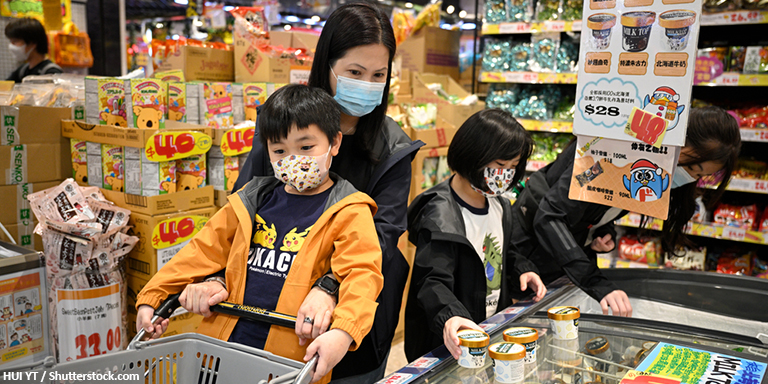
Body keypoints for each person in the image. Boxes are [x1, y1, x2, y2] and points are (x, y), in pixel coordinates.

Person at [202, 3, 422, 381]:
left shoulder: (393, 148)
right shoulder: (285, 124)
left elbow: (383, 238)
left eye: (378, 75)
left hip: (350, 320)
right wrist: (216, 277)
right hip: (269, 305)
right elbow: (242, 209)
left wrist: (329, 287)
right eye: (355, 72)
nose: (367, 84)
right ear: (327, 65)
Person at [136, 84, 384, 384]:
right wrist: (154, 296)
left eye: (306, 148)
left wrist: (343, 333)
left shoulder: (349, 211)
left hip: (290, 363)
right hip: (220, 351)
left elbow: (362, 276)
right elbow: (200, 251)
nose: (293, 159)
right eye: (280, 150)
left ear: (334, 142)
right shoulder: (251, 199)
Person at [511, 106, 741, 317]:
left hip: (564, 261)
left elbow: (597, 205)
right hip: (527, 257)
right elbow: (550, 216)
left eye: (699, 176)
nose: (690, 177)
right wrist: (596, 283)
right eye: (691, 167)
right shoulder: (605, 154)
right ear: (675, 141)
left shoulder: (647, 171)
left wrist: (602, 231)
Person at [405, 109, 547, 362]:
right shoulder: (440, 213)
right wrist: (451, 316)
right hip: (449, 342)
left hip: (490, 329)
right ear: (472, 156)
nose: (506, 174)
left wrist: (523, 269)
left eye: (514, 166)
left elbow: (504, 250)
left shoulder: (500, 205)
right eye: (500, 165)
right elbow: (431, 280)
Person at [5, 17, 63, 83]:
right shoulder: (22, 70)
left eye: (15, 41)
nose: (11, 46)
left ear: (32, 43)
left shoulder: (52, 72)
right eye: (11, 41)